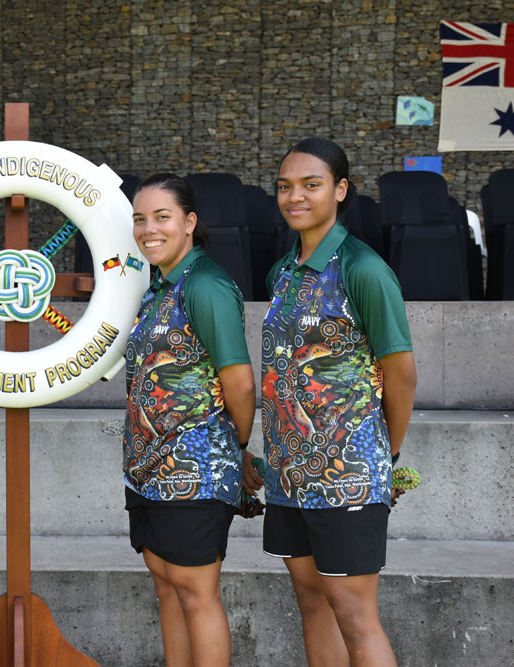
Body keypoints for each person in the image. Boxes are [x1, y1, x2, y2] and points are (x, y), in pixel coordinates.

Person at [244, 137, 417, 666]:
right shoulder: (282, 273)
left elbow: (401, 373)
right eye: (285, 186)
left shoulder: (362, 269)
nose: (295, 196)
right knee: (312, 602)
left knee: (355, 616)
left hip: (348, 475)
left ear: (340, 190)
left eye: (311, 185)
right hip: (291, 475)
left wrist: (383, 455)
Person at [124, 173, 256, 666]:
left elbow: (240, 384)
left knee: (197, 593)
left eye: (162, 217)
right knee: (166, 586)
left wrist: (233, 448)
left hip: (194, 469)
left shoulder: (205, 285)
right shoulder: (158, 288)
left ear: (190, 222)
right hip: (148, 468)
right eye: (140, 219)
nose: (148, 229)